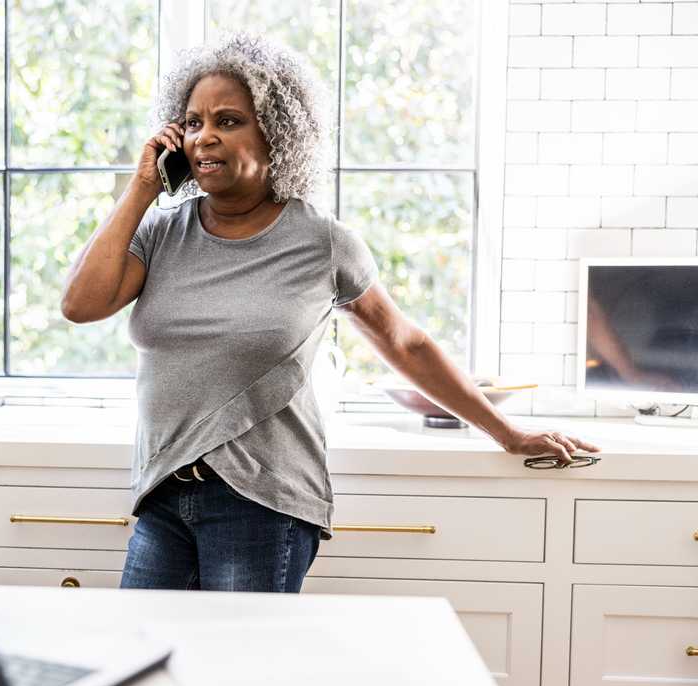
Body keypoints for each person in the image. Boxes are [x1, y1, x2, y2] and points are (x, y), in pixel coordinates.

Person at [60, 33, 599, 594]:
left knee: (241, 674)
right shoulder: (161, 232)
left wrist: (507, 433)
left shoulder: (321, 242)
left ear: (276, 135)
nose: (205, 136)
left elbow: (404, 343)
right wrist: (143, 188)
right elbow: (80, 304)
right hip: (164, 489)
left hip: (262, 501)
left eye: (228, 120)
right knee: (145, 660)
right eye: (192, 123)